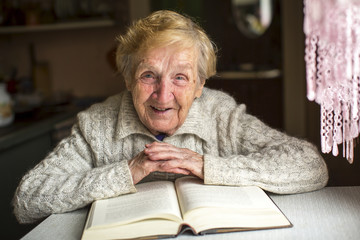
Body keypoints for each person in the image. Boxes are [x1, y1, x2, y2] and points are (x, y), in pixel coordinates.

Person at [13, 10, 328, 224]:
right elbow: (27, 200)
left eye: (180, 78)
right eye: (149, 75)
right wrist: (127, 172)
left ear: (200, 84)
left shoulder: (221, 114)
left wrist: (206, 165)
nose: (163, 96)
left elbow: (310, 166)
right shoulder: (98, 124)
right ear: (127, 78)